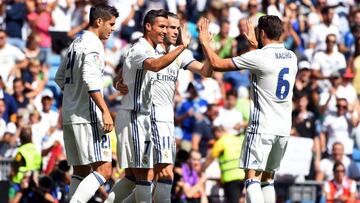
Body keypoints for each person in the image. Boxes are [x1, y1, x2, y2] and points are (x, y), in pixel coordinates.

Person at [107, 11, 213, 203]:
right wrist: (117, 82)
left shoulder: (180, 53)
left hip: (165, 120)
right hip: (145, 118)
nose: (170, 32)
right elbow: (125, 73)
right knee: (150, 175)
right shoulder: (148, 50)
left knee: (155, 176)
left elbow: (206, 70)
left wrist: (207, 48)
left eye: (174, 28)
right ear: (153, 27)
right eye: (167, 27)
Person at [198, 15, 298, 203]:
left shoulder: (259, 57)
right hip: (283, 128)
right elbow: (268, 64)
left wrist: (205, 43)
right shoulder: (292, 57)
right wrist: (256, 46)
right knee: (268, 180)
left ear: (261, 33)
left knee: (252, 177)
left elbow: (218, 64)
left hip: (262, 126)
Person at [54, 4, 118, 203]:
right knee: (104, 170)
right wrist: (105, 111)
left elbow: (59, 77)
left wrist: (74, 94)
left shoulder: (76, 42)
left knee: (81, 170)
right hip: (87, 115)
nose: (113, 29)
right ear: (99, 21)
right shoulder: (93, 44)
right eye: (111, 24)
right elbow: (90, 80)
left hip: (70, 114)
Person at [202, 125, 245, 203]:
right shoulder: (237, 139)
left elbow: (210, 158)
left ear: (217, 132)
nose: (214, 138)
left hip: (231, 177)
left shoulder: (221, 141)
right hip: (242, 175)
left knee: (232, 200)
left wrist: (201, 169)